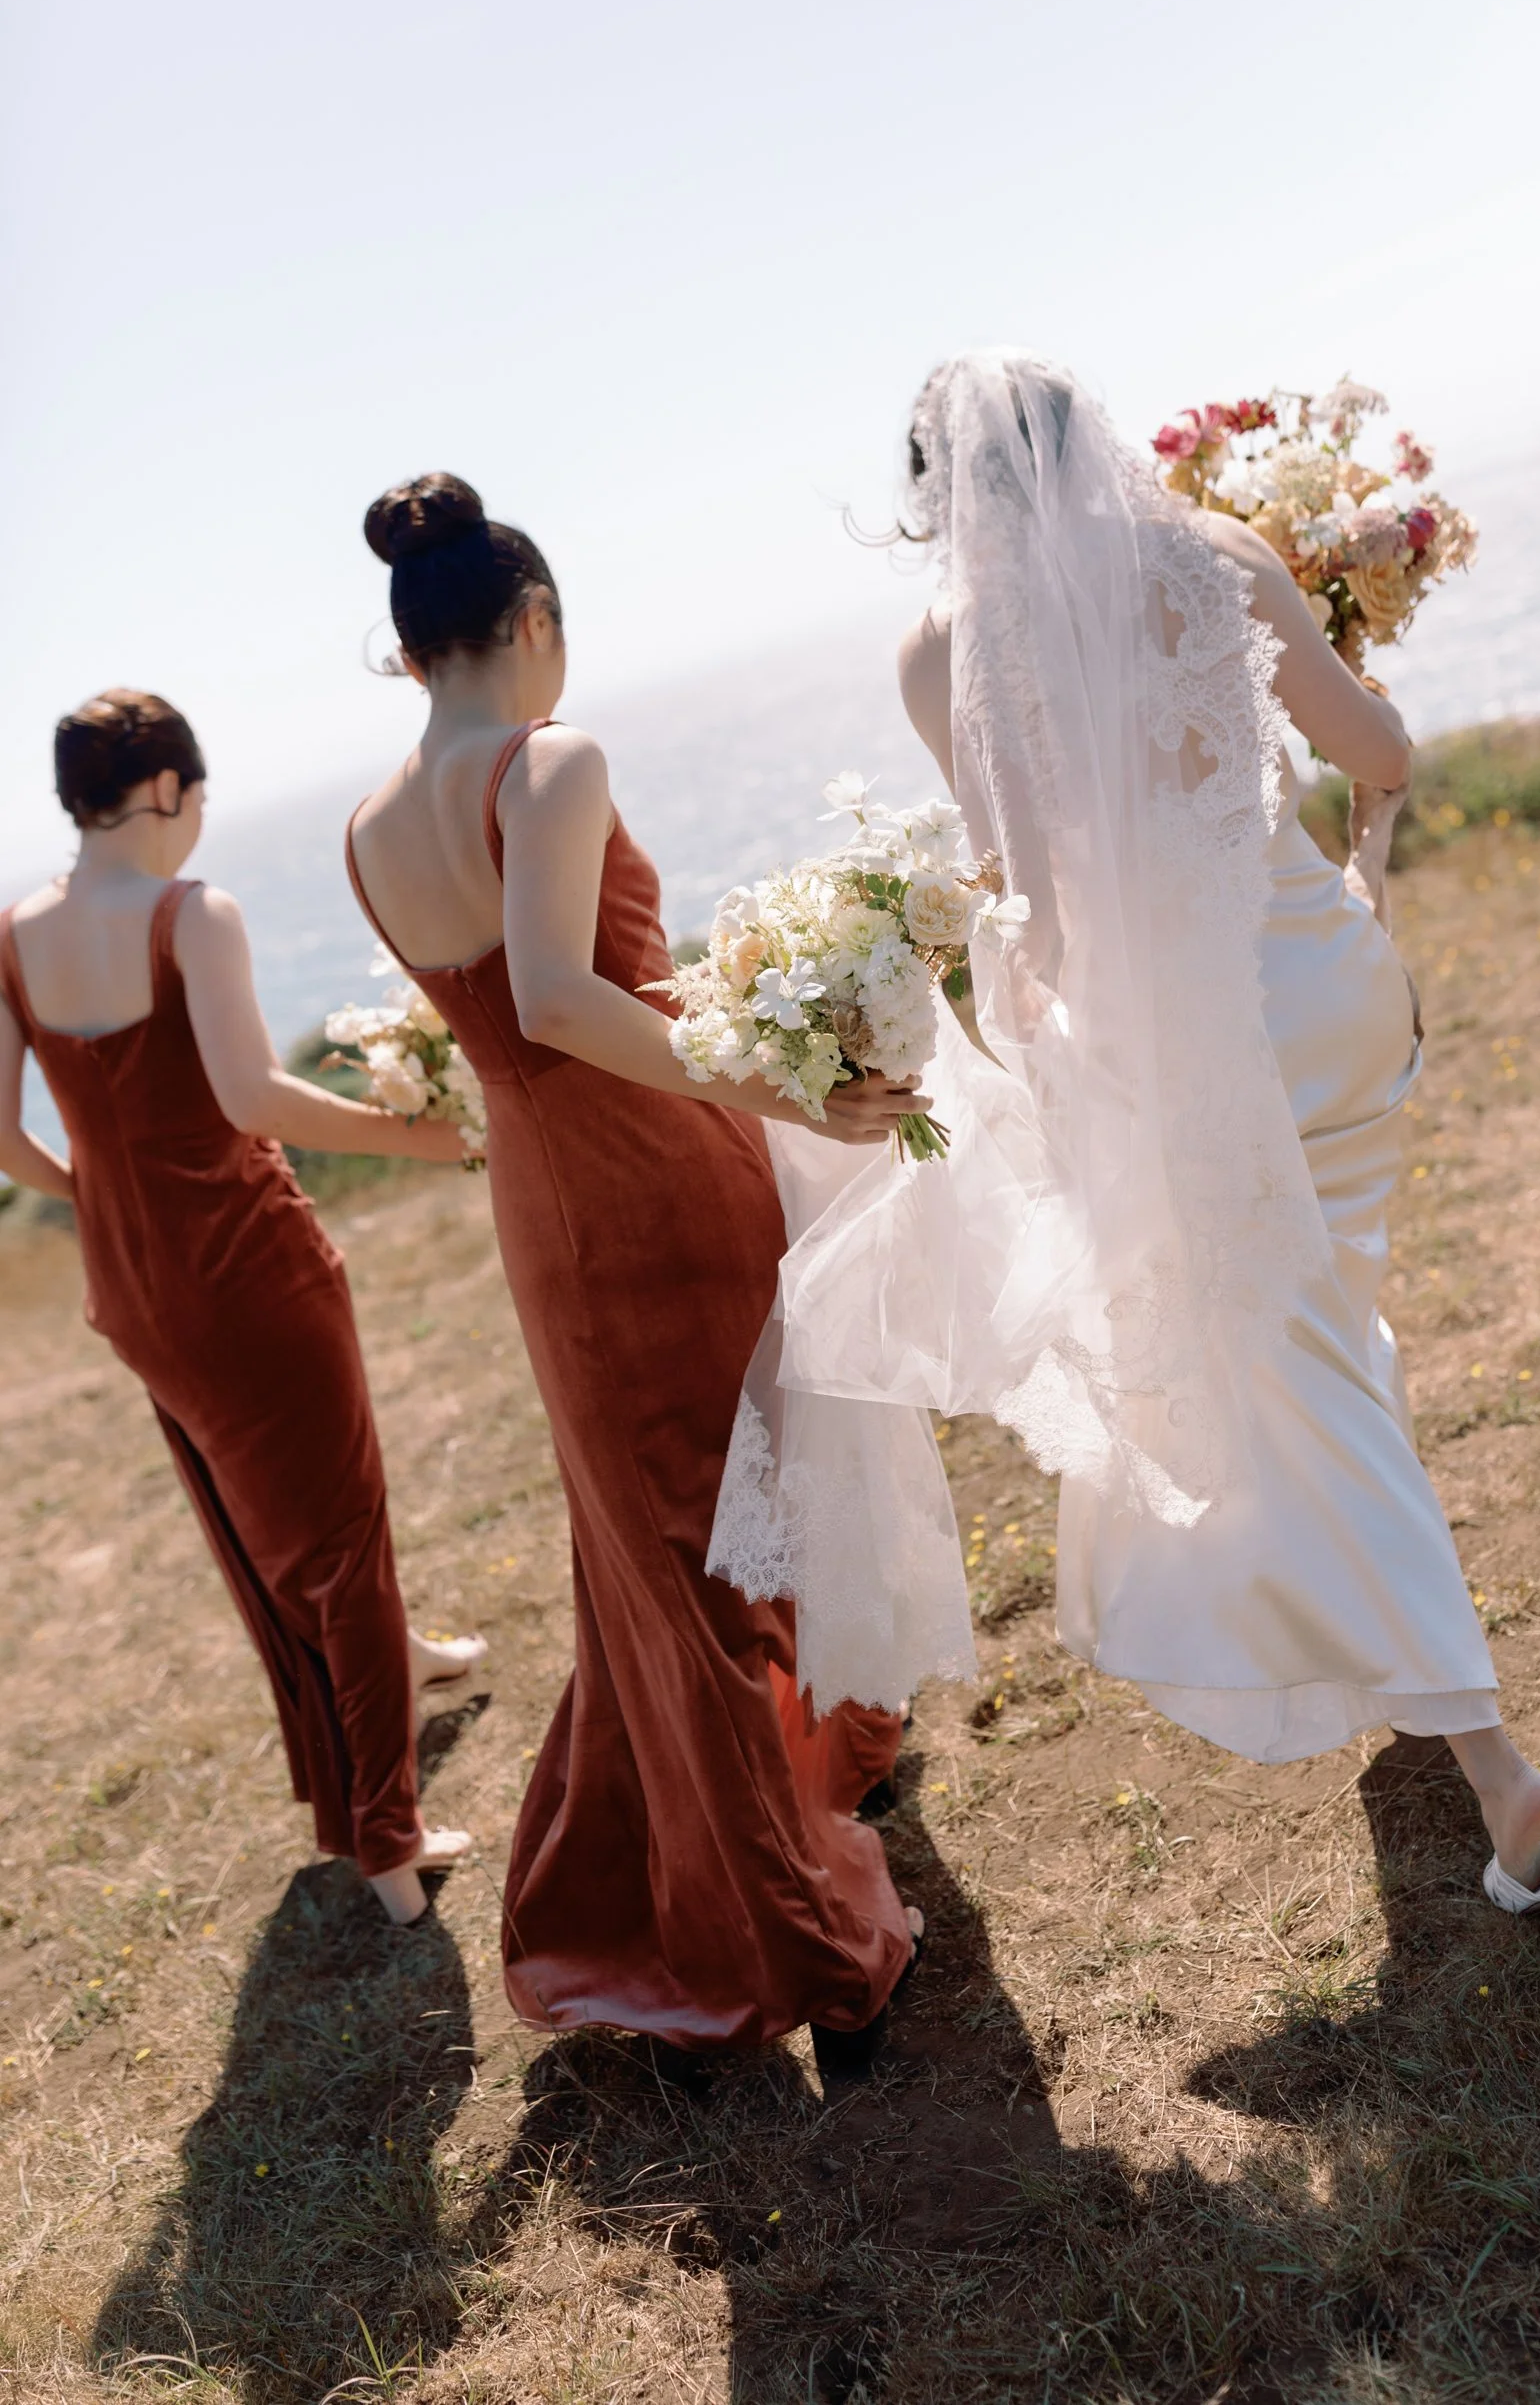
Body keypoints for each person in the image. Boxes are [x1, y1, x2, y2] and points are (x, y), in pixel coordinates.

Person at [728, 350, 1540, 1939]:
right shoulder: (1217, 556)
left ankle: (1487, 1755)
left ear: (939, 501)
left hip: (1183, 1053)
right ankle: (1419, 1693)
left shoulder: (942, 649)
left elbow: (1023, 893)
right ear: (1096, 447)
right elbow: (1382, 754)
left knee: (1298, 1374)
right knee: (1323, 1326)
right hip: (1326, 1007)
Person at [347, 473, 927, 2056]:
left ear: (412, 655)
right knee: (729, 1535)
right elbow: (557, 996)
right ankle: (793, 1933)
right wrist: (784, 1082)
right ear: (532, 624)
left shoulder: (365, 827)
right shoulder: (550, 759)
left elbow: (514, 1015)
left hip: (544, 1208)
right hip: (654, 1176)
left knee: (660, 1553)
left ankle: (747, 1814)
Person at [0, 690, 481, 1926]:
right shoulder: (188, 915)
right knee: (343, 1529)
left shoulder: (13, 935)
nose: (199, 824)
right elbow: (252, 1097)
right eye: (197, 799)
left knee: (263, 1517)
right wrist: (419, 1140)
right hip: (246, 1267)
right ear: (163, 790)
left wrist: (99, 1202)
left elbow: (6, 1138)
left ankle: (399, 1669)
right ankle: (387, 1840)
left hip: (137, 1289)